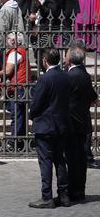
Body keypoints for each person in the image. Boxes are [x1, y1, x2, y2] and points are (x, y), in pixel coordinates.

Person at [28, 48, 71, 208]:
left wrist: (32, 115)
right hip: (61, 124)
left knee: (45, 161)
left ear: (45, 61)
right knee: (60, 159)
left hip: (45, 126)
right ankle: (63, 194)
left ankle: (47, 196)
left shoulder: (45, 79)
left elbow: (37, 103)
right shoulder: (65, 77)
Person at [64, 42, 97, 203]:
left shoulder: (69, 76)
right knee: (81, 159)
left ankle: (71, 191)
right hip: (83, 122)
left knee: (71, 158)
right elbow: (93, 98)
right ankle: (80, 190)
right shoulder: (85, 75)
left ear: (69, 58)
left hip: (70, 123)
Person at [0, 32, 29, 148]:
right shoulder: (21, 51)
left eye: (8, 38)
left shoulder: (15, 53)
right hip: (21, 87)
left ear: (14, 41)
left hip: (18, 88)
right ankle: (20, 141)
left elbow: (8, 71)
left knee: (17, 115)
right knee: (20, 115)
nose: (6, 40)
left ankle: (12, 143)